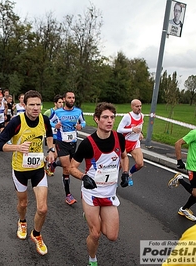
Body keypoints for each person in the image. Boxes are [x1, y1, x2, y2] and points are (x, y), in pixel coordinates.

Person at [0, 90, 55, 256]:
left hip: (38, 169)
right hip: (20, 169)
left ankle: (36, 234)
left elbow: (49, 135)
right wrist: (17, 147)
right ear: (24, 105)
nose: (35, 108)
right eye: (31, 105)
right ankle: (22, 221)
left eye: (38, 104)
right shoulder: (16, 122)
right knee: (23, 204)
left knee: (42, 209)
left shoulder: (45, 119)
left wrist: (50, 149)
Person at [69, 102, 129, 266]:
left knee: (112, 236)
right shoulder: (88, 143)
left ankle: (90, 217)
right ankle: (92, 260)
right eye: (105, 117)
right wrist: (83, 177)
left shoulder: (119, 138)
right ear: (96, 119)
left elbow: (124, 156)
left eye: (112, 117)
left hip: (109, 194)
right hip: (92, 193)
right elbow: (71, 167)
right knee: (95, 234)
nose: (109, 121)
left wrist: (125, 172)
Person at [49, 91, 86, 205]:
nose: (72, 100)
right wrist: (54, 125)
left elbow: (83, 122)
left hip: (73, 142)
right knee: (67, 167)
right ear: (64, 99)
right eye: (69, 98)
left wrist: (81, 126)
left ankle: (54, 164)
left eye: (73, 98)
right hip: (62, 142)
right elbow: (49, 121)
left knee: (70, 164)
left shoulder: (78, 111)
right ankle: (68, 195)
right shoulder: (58, 112)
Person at [116, 99, 144, 185]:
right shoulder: (127, 117)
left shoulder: (142, 116)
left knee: (140, 164)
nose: (139, 108)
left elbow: (139, 127)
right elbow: (119, 130)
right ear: (132, 107)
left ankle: (129, 174)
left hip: (135, 143)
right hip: (124, 143)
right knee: (119, 165)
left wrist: (140, 133)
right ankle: (114, 181)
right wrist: (132, 129)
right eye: (137, 106)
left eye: (140, 106)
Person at [43, 94, 63, 176]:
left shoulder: (63, 113)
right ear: (55, 103)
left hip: (60, 137)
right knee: (55, 154)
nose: (61, 104)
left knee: (56, 156)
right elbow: (43, 121)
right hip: (50, 136)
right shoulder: (49, 112)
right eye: (59, 102)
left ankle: (45, 160)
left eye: (62, 102)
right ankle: (49, 168)